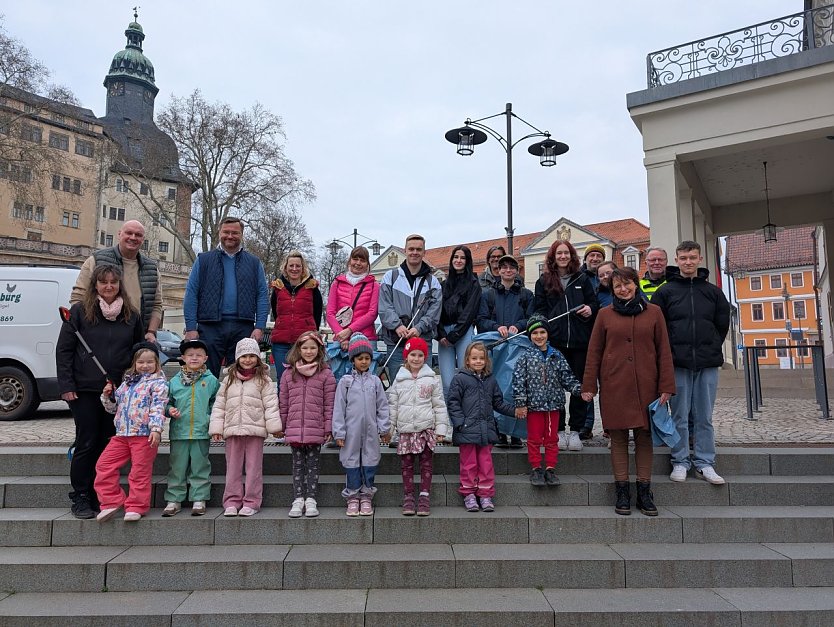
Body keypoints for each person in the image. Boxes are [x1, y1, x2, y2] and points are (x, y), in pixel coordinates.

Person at [581, 267, 676, 516]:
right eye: (617, 286)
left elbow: (664, 350)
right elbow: (594, 352)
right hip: (615, 384)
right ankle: (622, 490)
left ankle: (644, 490)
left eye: (627, 284)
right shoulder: (604, 315)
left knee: (645, 438)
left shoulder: (654, 313)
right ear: (612, 290)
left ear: (636, 284)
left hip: (647, 383)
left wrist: (666, 386)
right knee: (619, 438)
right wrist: (589, 385)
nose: (623, 290)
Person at [56, 264, 144, 519]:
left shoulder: (131, 315)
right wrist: (67, 385)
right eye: (103, 282)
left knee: (109, 443)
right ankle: (81, 495)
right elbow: (64, 351)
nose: (108, 287)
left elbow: (138, 351)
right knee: (87, 441)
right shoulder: (80, 312)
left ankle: (101, 493)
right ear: (95, 284)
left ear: (120, 286)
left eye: (113, 282)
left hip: (118, 391)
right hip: (84, 389)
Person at [651, 241, 731, 485]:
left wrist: (711, 345)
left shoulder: (713, 292)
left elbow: (722, 323)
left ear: (699, 259)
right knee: (680, 416)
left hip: (706, 362)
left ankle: (705, 462)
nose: (688, 262)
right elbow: (657, 328)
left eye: (692, 257)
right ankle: (680, 461)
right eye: (683, 258)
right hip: (678, 363)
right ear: (677, 259)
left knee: (704, 416)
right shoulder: (665, 292)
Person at [183, 217, 269, 377]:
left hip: (243, 326)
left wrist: (260, 326)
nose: (230, 236)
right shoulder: (203, 260)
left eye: (235, 233)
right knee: (205, 376)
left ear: (241, 235)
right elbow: (191, 293)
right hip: (209, 327)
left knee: (241, 376)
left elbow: (262, 295)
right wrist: (190, 327)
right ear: (219, 233)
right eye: (226, 232)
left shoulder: (254, 263)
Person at [533, 240, 598, 449]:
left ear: (572, 256)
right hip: (556, 342)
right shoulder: (543, 281)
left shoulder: (583, 278)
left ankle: (576, 430)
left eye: (566, 253)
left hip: (580, 342)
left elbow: (594, 303)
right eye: (559, 253)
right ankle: (559, 430)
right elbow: (539, 310)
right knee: (556, 388)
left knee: (579, 386)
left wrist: (590, 309)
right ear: (553, 256)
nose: (563, 256)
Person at [95, 342, 168, 522]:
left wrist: (156, 430)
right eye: (141, 362)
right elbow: (113, 408)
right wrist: (107, 396)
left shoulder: (159, 383)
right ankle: (111, 501)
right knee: (104, 465)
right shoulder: (127, 383)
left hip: (144, 435)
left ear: (157, 363)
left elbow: (158, 408)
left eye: (150, 362)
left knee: (139, 472)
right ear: (134, 363)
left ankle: (136, 505)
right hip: (121, 435)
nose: (145, 366)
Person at [209, 338, 282, 517]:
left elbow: (271, 405)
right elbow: (219, 405)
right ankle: (232, 501)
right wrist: (217, 428)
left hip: (255, 430)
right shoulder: (228, 381)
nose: (247, 360)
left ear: (258, 358)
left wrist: (274, 427)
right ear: (237, 358)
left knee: (253, 468)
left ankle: (252, 501)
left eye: (251, 356)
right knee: (232, 468)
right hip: (233, 429)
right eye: (244, 356)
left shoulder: (263, 380)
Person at [512, 314, 582, 487]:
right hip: (534, 407)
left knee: (552, 439)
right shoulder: (525, 357)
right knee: (534, 439)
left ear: (548, 334)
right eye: (535, 333)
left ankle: (550, 468)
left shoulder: (557, 355)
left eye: (542, 332)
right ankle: (536, 468)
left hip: (553, 406)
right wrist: (521, 403)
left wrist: (579, 389)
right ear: (530, 336)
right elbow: (519, 381)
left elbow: (567, 377)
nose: (539, 336)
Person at [447, 342, 515, 512]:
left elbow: (498, 402)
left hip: (486, 430)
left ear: (486, 360)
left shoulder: (491, 380)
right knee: (468, 464)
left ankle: (485, 493)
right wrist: (459, 422)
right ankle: (469, 493)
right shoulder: (460, 378)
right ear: (467, 360)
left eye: (481, 358)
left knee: (485, 463)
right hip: (467, 430)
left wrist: (515, 411)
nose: (478, 361)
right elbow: (453, 402)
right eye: (474, 358)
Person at [476, 253, 534, 447]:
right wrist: (495, 327)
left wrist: (519, 325)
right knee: (496, 388)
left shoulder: (526, 295)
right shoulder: (488, 295)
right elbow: (481, 319)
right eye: (504, 267)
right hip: (496, 350)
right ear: (498, 270)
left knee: (517, 389)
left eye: (512, 267)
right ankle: (499, 430)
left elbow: (532, 319)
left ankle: (516, 432)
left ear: (516, 271)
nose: (508, 270)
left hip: (519, 348)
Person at [70, 220, 162, 341]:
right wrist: (86, 327)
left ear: (143, 239)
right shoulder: (96, 260)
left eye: (138, 235)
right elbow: (78, 297)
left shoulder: (152, 269)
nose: (133, 237)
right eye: (129, 233)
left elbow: (157, 305)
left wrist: (151, 332)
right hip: (100, 337)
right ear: (119, 234)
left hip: (138, 338)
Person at [388, 337, 450, 517]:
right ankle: (408, 496)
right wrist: (389, 430)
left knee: (426, 464)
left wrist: (441, 430)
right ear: (406, 357)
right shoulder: (399, 380)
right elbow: (393, 406)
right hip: (406, 430)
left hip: (425, 429)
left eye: (420, 355)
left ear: (425, 357)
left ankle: (424, 496)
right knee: (406, 465)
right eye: (412, 355)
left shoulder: (431, 379)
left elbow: (439, 405)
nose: (416, 358)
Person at [279, 331, 336, 519]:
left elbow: (330, 404)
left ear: (319, 350)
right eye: (305, 348)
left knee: (313, 465)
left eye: (313, 347)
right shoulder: (288, 374)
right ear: (298, 349)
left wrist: (328, 427)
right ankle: (298, 498)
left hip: (315, 427)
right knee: (297, 465)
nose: (309, 351)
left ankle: (311, 498)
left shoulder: (326, 374)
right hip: (295, 428)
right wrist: (282, 424)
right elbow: (284, 402)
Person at [333, 333, 391, 516]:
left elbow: (382, 406)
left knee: (370, 460)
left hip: (371, 432)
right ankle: (352, 496)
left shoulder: (375, 382)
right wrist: (339, 433)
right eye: (360, 358)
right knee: (351, 461)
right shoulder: (345, 382)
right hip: (351, 432)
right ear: (353, 359)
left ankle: (366, 495)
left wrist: (384, 428)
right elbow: (339, 408)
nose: (364, 362)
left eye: (367, 358)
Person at [162, 339, 220, 517]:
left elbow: (216, 404)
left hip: (201, 432)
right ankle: (174, 499)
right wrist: (168, 410)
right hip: (179, 432)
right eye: (190, 355)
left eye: (198, 355)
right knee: (177, 467)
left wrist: (210, 419)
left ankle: (199, 498)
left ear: (205, 358)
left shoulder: (211, 381)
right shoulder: (174, 382)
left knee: (200, 466)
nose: (194, 358)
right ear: (183, 358)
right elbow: (164, 403)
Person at [378, 234, 442, 382]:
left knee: (423, 388)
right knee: (397, 388)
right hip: (396, 341)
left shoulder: (433, 282)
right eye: (411, 249)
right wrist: (397, 325)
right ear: (405, 250)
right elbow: (384, 306)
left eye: (419, 249)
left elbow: (435, 310)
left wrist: (419, 327)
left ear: (424, 252)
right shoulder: (390, 277)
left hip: (422, 342)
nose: (415, 252)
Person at [437, 245, 481, 397]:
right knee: (447, 382)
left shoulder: (474, 284)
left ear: (467, 261)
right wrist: (441, 334)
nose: (459, 260)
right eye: (456, 257)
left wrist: (453, 336)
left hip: (463, 333)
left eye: (462, 258)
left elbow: (469, 313)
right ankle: (450, 418)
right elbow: (437, 311)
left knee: (466, 377)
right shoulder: (443, 284)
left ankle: (467, 417)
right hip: (444, 335)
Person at [269, 250, 323, 373]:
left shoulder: (312, 287)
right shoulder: (278, 287)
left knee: (304, 379)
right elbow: (276, 312)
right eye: (291, 266)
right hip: (281, 343)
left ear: (303, 268)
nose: (294, 269)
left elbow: (317, 313)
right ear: (286, 268)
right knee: (282, 379)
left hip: (304, 343)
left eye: (298, 266)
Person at [326, 246, 380, 351]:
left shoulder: (374, 285)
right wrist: (341, 336)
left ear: (367, 264)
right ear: (349, 260)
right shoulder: (337, 283)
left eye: (362, 260)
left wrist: (349, 331)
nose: (358, 263)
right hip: (341, 339)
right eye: (355, 259)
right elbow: (330, 313)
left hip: (365, 338)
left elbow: (372, 313)